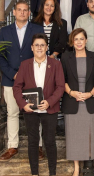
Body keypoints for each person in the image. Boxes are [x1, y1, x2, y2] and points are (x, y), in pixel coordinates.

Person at [0, 0, 45, 161]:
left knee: (35, 113)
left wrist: (28, 74)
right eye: (19, 10)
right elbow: (0, 56)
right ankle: (12, 146)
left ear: (29, 13)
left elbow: (41, 52)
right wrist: (12, 74)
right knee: (12, 112)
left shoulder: (37, 29)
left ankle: (37, 146)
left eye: (25, 10)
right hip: (11, 80)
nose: (22, 12)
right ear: (15, 13)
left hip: (32, 79)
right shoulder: (4, 31)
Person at [13, 33, 65, 176]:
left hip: (50, 109)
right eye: (37, 45)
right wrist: (23, 104)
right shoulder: (25, 65)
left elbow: (60, 87)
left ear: (47, 47)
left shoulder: (56, 64)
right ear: (32, 47)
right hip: (30, 110)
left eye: (42, 45)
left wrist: (49, 102)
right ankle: (34, 173)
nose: (39, 48)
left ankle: (52, 173)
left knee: (49, 141)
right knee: (33, 142)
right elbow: (17, 87)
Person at [61, 28, 94, 176]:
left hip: (90, 102)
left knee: (89, 135)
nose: (79, 42)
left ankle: (88, 167)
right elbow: (62, 80)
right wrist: (72, 93)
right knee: (73, 136)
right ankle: (77, 169)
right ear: (72, 41)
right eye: (76, 39)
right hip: (72, 102)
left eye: (81, 39)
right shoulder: (66, 57)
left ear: (86, 40)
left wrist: (90, 94)